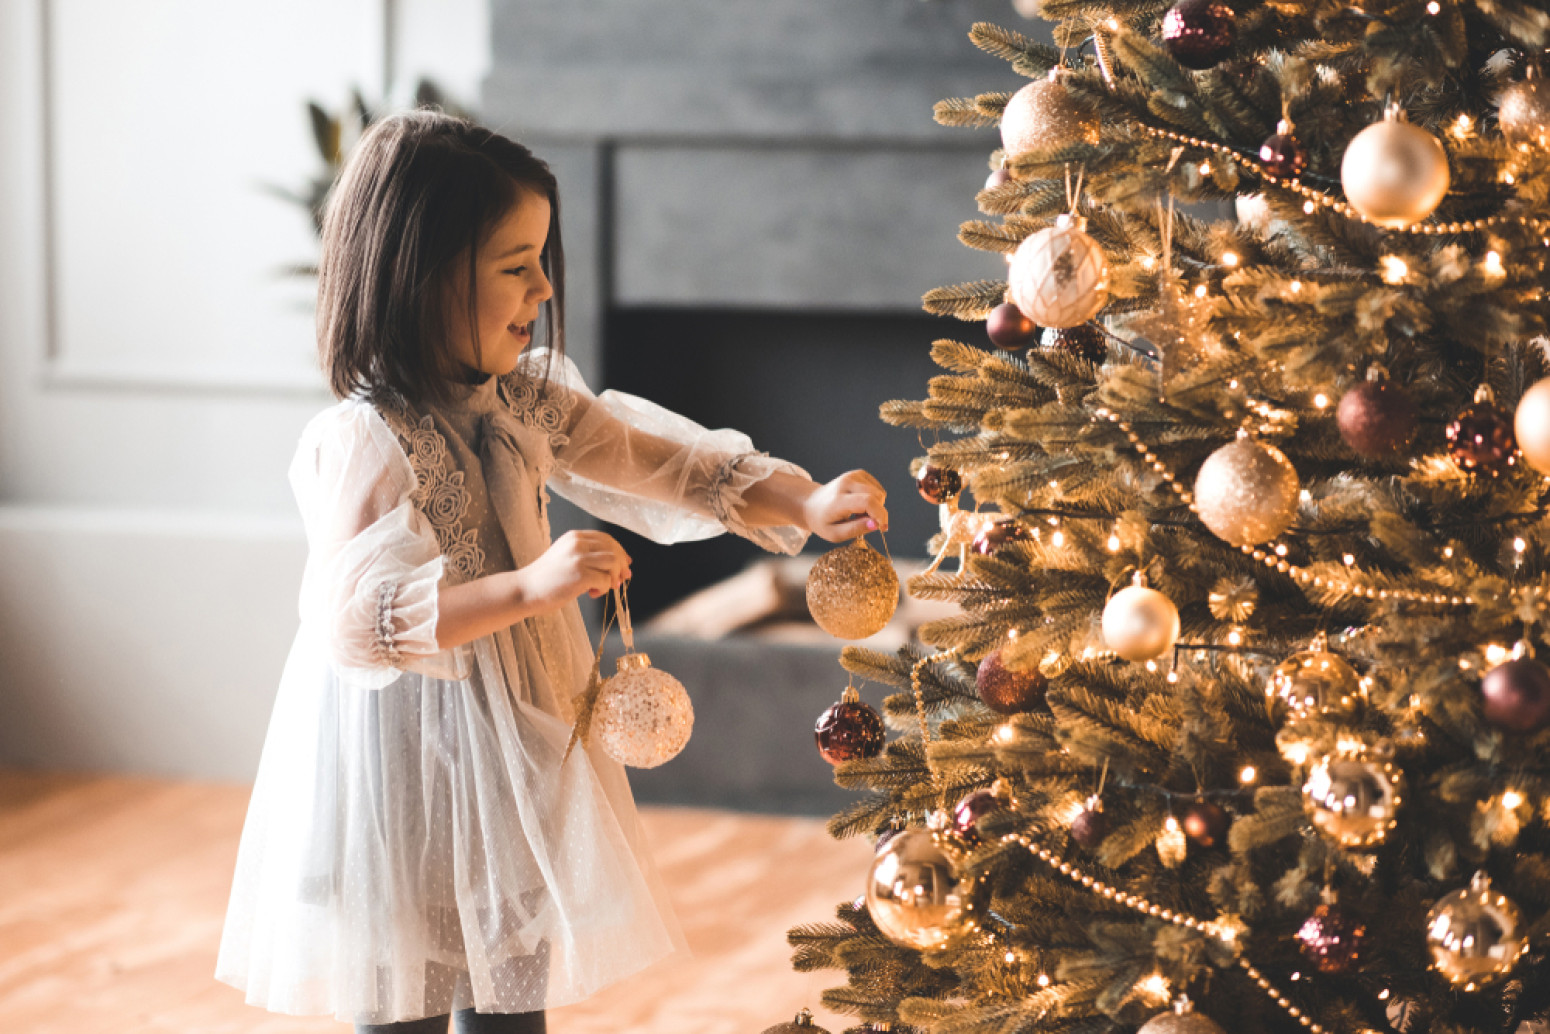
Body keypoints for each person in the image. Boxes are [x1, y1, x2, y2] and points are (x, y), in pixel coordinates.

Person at [213, 109, 889, 1034]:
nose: (542, 284)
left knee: (512, 987)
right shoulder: (365, 440)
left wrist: (806, 504)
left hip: (524, 734)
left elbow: (669, 467)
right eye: (513, 265)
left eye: (541, 258)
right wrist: (531, 588)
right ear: (422, 277)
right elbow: (358, 621)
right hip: (403, 756)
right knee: (407, 988)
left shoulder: (530, 400)